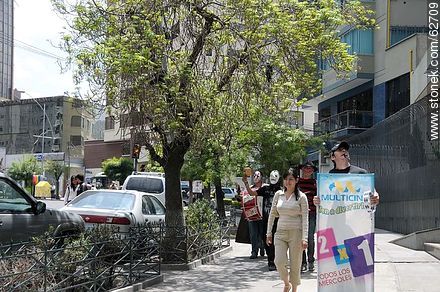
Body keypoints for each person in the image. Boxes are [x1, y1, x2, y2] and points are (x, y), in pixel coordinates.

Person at [266, 168, 308, 292]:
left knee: (295, 264)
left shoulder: (301, 197)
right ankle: (286, 283)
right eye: (285, 179)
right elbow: (272, 214)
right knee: (278, 261)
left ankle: (294, 288)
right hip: (280, 232)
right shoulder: (278, 195)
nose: (288, 182)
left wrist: (304, 238)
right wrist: (268, 233)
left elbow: (305, 219)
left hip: (296, 232)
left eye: (291, 179)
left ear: (296, 180)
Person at [313, 141, 380, 205]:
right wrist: (317, 201)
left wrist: (375, 197)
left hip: (357, 215)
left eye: (345, 149)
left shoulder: (361, 173)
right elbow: (323, 198)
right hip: (335, 215)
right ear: (333, 157)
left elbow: (372, 192)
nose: (344, 151)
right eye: (339, 150)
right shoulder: (328, 177)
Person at [243, 170, 282, 271]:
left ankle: (273, 261)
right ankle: (271, 259)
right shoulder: (265, 189)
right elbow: (252, 193)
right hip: (266, 219)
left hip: (278, 219)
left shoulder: (282, 191)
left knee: (276, 240)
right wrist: (246, 183)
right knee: (266, 239)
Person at [297, 161, 318, 273]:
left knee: (310, 237)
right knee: (300, 238)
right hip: (298, 214)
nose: (308, 170)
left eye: (310, 169)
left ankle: (311, 261)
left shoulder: (315, 183)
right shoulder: (297, 183)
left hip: (312, 214)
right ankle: (302, 262)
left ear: (312, 171)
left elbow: (319, 198)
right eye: (306, 168)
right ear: (302, 169)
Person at [242, 170, 265, 259]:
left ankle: (262, 247)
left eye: (257, 175)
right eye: (254, 176)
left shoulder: (265, 187)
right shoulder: (250, 188)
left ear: (261, 177)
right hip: (252, 214)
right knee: (253, 233)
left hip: (263, 214)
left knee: (262, 233)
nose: (255, 177)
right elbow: (246, 199)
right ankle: (254, 251)